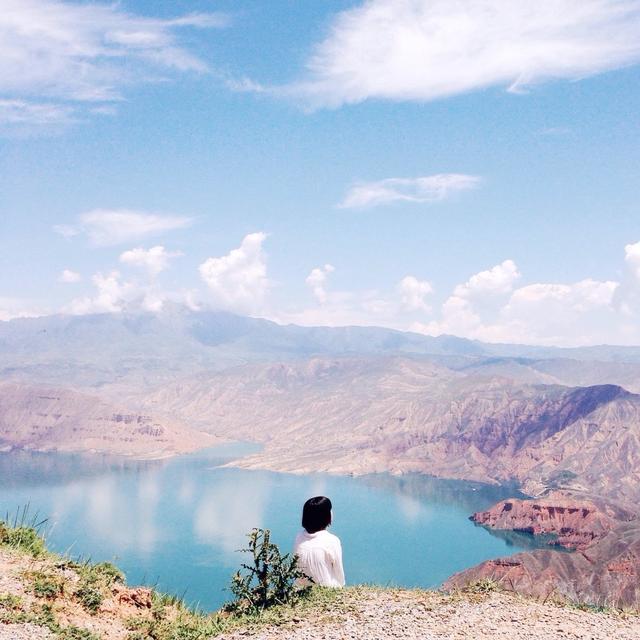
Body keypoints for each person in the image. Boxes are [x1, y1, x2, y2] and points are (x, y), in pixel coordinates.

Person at [293, 496, 345, 588]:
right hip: (326, 589)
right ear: (326, 516)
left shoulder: (299, 537)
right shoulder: (332, 540)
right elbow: (339, 574)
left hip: (300, 589)